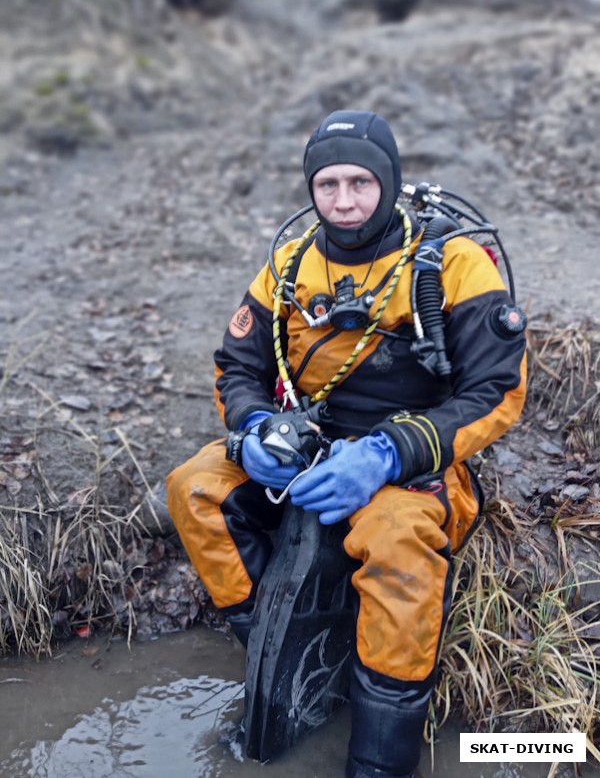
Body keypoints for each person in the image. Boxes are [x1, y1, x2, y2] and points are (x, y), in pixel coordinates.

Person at [167, 110, 527, 778]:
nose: (343, 200)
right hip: (309, 441)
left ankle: (380, 758)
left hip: (415, 455)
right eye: (326, 183)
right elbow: (237, 365)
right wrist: (255, 429)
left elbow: (498, 392)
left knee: (395, 542)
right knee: (194, 487)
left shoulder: (453, 264)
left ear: (387, 182)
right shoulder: (291, 262)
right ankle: (287, 667)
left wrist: (390, 452)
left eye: (360, 181)